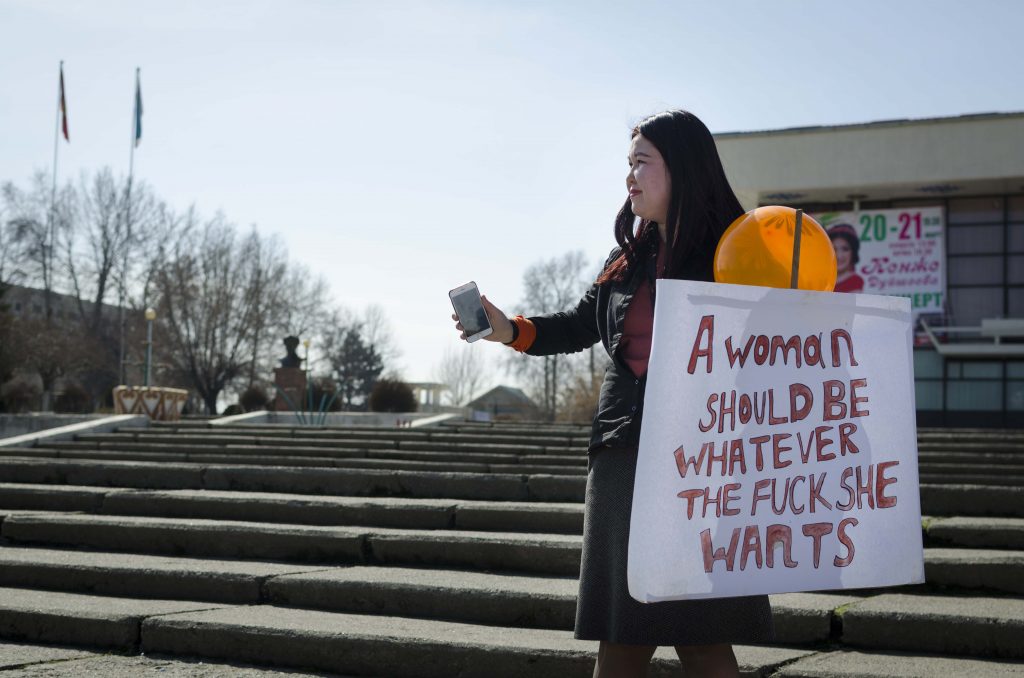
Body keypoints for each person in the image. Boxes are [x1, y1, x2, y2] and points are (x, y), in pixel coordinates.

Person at [452, 110, 773, 678]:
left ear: (684, 169)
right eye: (627, 165)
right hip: (623, 453)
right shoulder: (625, 260)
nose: (629, 178)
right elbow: (577, 325)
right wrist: (509, 329)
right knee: (622, 635)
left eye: (642, 163)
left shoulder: (740, 251)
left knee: (702, 635)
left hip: (706, 462)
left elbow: (782, 344)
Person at [828, 223, 864, 293]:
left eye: (845, 249)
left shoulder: (855, 282)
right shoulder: (821, 281)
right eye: (834, 249)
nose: (839, 256)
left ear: (853, 252)